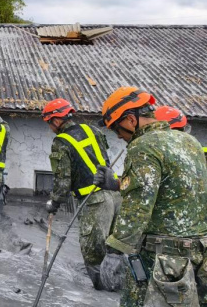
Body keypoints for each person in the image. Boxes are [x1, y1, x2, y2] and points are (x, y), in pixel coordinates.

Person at [93, 87, 207, 306]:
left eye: (116, 128)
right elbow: (169, 191)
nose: (118, 135)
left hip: (164, 259)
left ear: (130, 120)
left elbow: (138, 205)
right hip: (199, 256)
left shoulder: (143, 147)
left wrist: (115, 250)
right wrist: (118, 184)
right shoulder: (189, 142)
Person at [41, 98, 122, 291]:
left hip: (94, 201)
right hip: (115, 195)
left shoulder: (61, 142)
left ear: (56, 120)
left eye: (48, 123)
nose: (49, 127)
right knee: (115, 248)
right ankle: (120, 289)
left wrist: (54, 202)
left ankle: (103, 294)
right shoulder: (93, 130)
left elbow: (63, 179)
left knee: (93, 251)